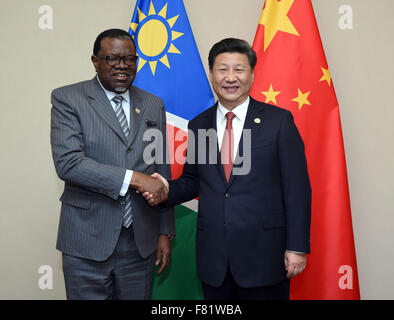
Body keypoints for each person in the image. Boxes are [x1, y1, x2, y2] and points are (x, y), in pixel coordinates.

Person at [145, 38, 311, 300]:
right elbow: (193, 180)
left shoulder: (278, 121)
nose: (230, 77)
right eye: (222, 70)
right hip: (214, 260)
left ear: (252, 74)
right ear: (212, 74)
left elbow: (297, 189)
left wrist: (297, 247)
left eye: (239, 69)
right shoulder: (200, 124)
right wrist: (165, 189)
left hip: (265, 256)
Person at [50, 29, 174, 300]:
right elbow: (69, 163)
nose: (122, 65)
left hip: (140, 243)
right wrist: (135, 178)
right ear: (95, 61)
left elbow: (160, 170)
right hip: (86, 240)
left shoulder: (153, 104)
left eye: (130, 59)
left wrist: (165, 231)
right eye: (113, 58)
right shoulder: (68, 99)